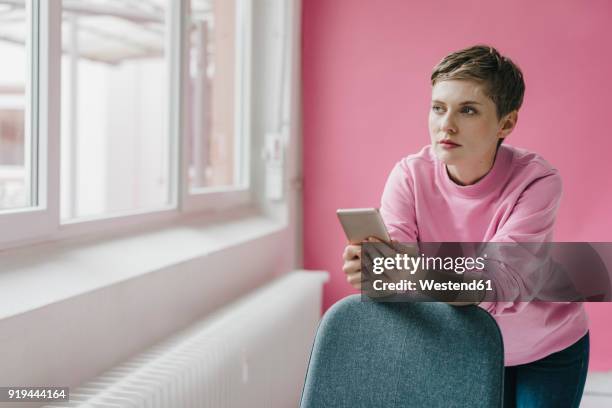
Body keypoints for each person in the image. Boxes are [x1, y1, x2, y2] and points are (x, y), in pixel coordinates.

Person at [342, 45, 589, 408]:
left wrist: (407, 271)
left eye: (468, 110)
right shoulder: (409, 176)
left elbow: (501, 282)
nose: (447, 124)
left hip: (546, 347)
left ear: (506, 123)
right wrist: (372, 271)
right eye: (438, 107)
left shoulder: (538, 180)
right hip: (461, 344)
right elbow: (393, 279)